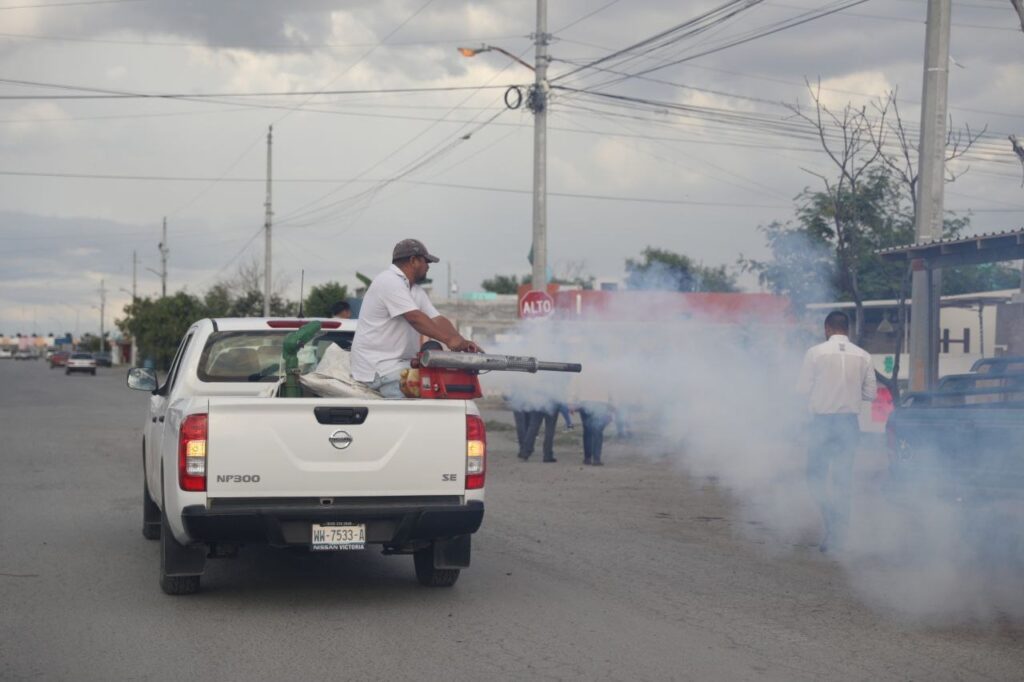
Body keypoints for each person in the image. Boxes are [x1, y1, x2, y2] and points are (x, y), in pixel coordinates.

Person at [350, 239, 481, 398]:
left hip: (398, 366)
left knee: (443, 385)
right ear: (413, 260)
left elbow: (437, 319)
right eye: (426, 261)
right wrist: (449, 340)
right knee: (432, 396)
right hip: (380, 368)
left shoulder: (415, 290)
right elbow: (415, 318)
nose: (428, 266)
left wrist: (461, 341)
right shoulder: (389, 281)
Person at [796, 310, 876, 553]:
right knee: (843, 480)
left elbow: (801, 390)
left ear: (827, 329)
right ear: (847, 330)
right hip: (849, 424)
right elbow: (870, 394)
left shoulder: (815, 353)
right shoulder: (863, 356)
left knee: (814, 476)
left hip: (823, 423)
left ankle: (833, 525)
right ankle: (840, 532)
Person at [569, 368, 614, 466]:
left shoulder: (582, 371)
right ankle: (596, 459)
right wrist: (611, 406)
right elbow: (610, 390)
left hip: (585, 403)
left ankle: (587, 458)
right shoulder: (605, 371)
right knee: (597, 432)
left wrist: (572, 402)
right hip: (601, 403)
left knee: (587, 432)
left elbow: (575, 388)